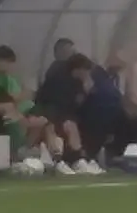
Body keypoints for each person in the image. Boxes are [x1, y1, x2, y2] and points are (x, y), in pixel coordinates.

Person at [34, 39, 100, 173]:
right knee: (62, 125)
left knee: (73, 125)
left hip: (64, 114)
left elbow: (76, 104)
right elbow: (51, 104)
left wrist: (86, 91)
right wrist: (64, 120)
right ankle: (60, 161)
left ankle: (79, 160)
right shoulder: (59, 78)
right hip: (47, 112)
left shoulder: (77, 82)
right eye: (86, 71)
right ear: (78, 70)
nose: (88, 74)